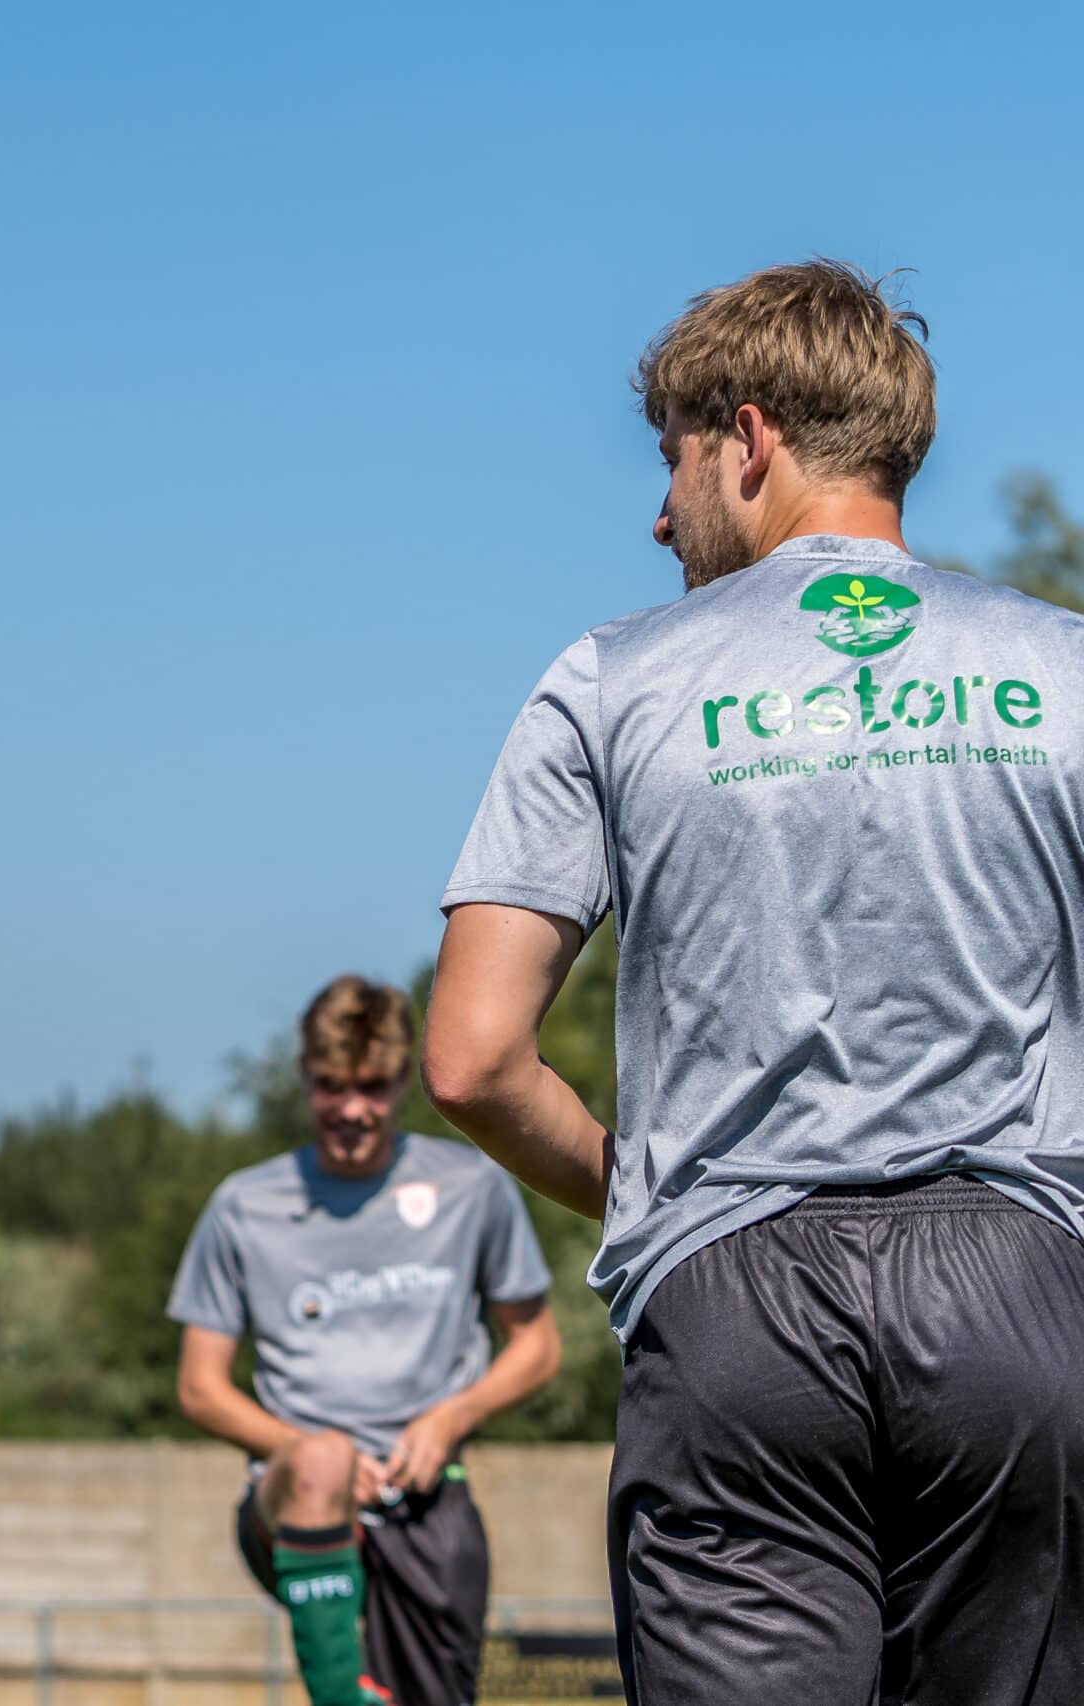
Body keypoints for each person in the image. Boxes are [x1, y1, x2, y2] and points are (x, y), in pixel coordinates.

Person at [424, 258, 1084, 1704]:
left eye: (672, 463)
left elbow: (470, 1057)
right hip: (1022, 1295)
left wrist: (654, 1184)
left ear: (750, 437)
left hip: (736, 1306)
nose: (660, 514)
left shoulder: (610, 680)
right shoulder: (1065, 668)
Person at [172, 976, 559, 1706]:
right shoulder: (244, 1205)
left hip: (428, 1502)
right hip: (298, 1499)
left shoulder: (471, 1186)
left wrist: (450, 1420)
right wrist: (296, 1449)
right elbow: (199, 1387)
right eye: (331, 1087)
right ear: (304, 1079)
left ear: (403, 1080)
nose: (352, 1109)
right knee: (321, 1457)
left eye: (374, 1088)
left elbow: (537, 1346)